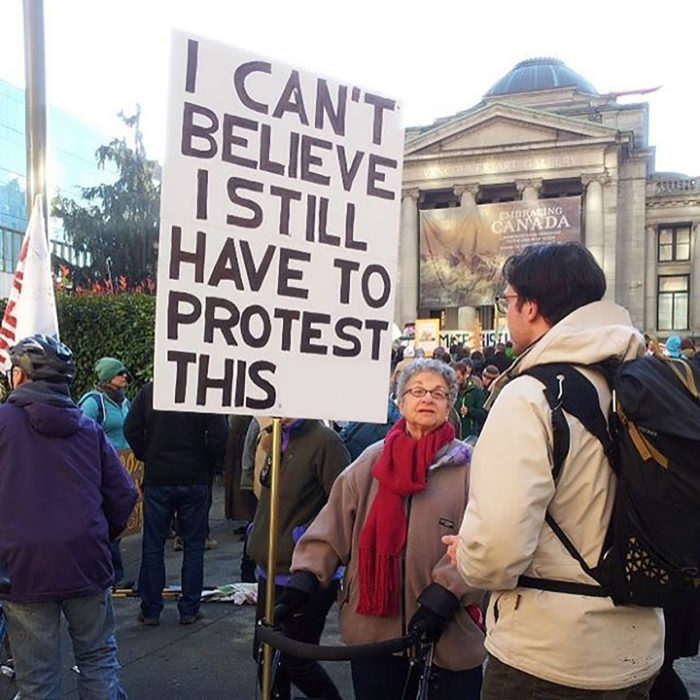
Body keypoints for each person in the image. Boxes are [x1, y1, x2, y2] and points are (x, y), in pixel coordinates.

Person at [443, 242, 663, 698]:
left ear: (531, 306)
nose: (506, 314)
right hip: (639, 644)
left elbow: (496, 551)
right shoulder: (644, 382)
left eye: (506, 301)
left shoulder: (530, 396)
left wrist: (466, 553)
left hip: (549, 656)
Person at [279, 359, 485, 700]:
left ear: (450, 405)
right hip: (374, 631)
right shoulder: (371, 461)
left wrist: (447, 590)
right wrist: (304, 578)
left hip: (447, 631)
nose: (428, 399)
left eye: (439, 393)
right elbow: (332, 526)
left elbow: (487, 536)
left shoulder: (469, 466)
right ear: (400, 402)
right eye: (417, 391)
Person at [0, 335, 137, 699]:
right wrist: (96, 533)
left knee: (37, 677)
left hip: (23, 567)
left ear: (18, 377)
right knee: (98, 659)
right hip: (86, 559)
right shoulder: (89, 429)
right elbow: (124, 494)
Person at [247, 418, 350, 700]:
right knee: (265, 656)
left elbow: (344, 505)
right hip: (269, 568)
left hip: (306, 574)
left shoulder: (325, 441)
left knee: (295, 659)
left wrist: (306, 537)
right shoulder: (273, 435)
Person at [123, 382, 227, 626]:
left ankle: (150, 609)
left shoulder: (151, 390)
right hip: (194, 475)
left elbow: (131, 427)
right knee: (193, 545)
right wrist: (210, 461)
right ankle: (189, 608)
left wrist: (147, 454)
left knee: (153, 544)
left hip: (159, 476)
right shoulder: (201, 389)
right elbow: (220, 432)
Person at [79, 356, 132, 586]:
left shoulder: (124, 401)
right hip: (102, 469)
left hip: (125, 467)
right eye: (119, 373)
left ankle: (114, 572)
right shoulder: (92, 403)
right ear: (107, 377)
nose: (125, 376)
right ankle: (110, 574)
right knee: (105, 519)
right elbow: (81, 434)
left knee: (119, 518)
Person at [452, 360, 486, 439]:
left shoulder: (476, 392)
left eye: (458, 378)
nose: (456, 381)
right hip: (453, 435)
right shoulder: (450, 392)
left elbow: (483, 414)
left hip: (470, 435)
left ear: (465, 375)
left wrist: (469, 411)